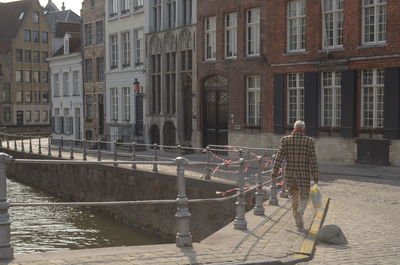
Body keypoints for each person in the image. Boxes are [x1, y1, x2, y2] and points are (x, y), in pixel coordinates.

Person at [271, 120, 319, 229]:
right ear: (303, 129)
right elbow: (313, 161)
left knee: (293, 197)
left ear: (294, 128)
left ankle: (298, 223)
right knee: (304, 196)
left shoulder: (285, 140)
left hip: (290, 174)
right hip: (304, 174)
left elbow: (279, 158)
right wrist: (316, 177)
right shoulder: (309, 141)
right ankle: (301, 210)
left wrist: (274, 173)